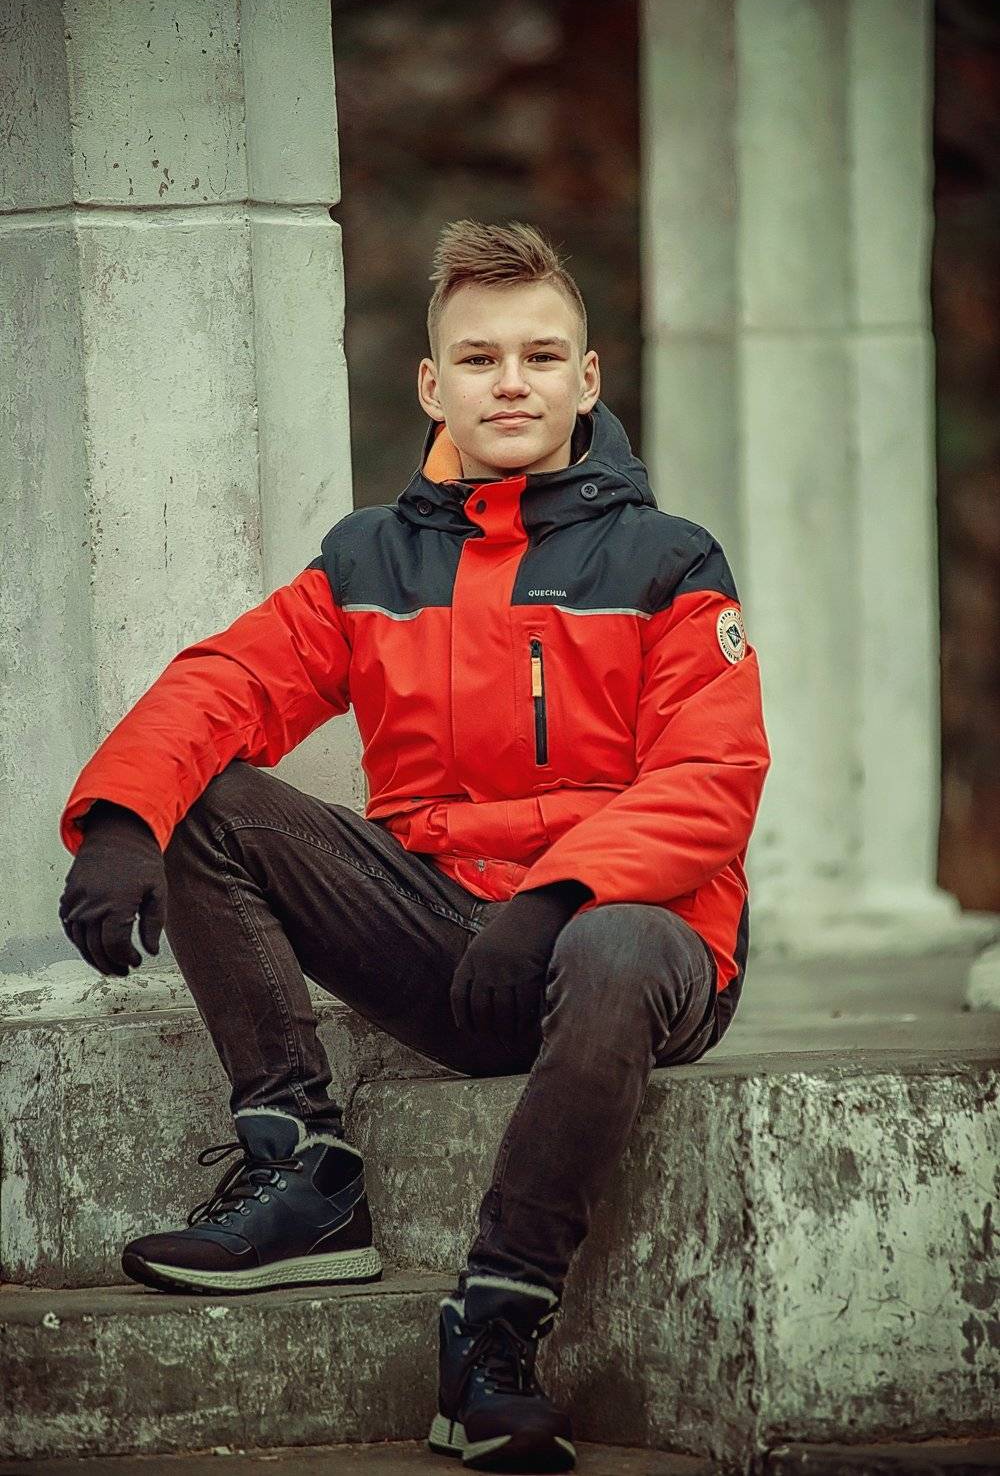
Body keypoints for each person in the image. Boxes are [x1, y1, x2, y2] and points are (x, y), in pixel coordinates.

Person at [58, 219, 771, 1473]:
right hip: (450, 941)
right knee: (206, 796)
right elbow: (226, 682)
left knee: (610, 944)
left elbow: (709, 782)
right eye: (480, 359)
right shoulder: (370, 559)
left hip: (632, 947)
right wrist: (123, 817)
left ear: (587, 380)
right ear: (434, 386)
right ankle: (304, 1170)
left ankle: (493, 1329)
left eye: (540, 357)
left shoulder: (668, 560)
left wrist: (556, 898)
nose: (512, 383)